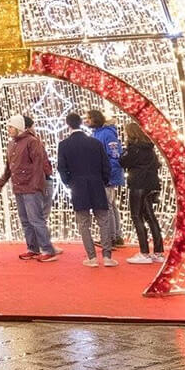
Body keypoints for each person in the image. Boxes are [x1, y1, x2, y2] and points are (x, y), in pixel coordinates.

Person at [0, 114, 59, 262]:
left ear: (19, 127)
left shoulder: (32, 142)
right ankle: (33, 248)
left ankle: (48, 250)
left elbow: (38, 165)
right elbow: (9, 167)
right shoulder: (12, 144)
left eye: (11, 127)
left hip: (31, 188)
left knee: (36, 219)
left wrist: (37, 186)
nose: (9, 129)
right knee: (25, 220)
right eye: (8, 127)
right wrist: (1, 182)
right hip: (19, 187)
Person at [57, 112, 117, 267]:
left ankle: (91, 258)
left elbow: (62, 168)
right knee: (103, 220)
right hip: (97, 184)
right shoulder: (95, 143)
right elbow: (106, 165)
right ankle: (107, 256)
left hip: (78, 186)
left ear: (68, 124)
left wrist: (69, 182)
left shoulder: (64, 145)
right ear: (81, 123)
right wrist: (102, 180)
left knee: (84, 222)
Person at [120, 121, 165, 264]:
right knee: (150, 217)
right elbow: (157, 164)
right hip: (151, 184)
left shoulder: (134, 149)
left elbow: (123, 162)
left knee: (136, 216)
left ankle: (144, 252)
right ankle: (158, 252)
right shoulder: (150, 148)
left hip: (138, 184)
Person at [85, 109, 125, 247]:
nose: (86, 120)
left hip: (107, 175)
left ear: (95, 119)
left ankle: (110, 238)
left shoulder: (106, 134)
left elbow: (114, 155)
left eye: (88, 118)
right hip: (105, 174)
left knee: (107, 206)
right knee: (111, 205)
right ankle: (116, 236)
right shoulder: (98, 133)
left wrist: (107, 175)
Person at [24, 114, 63, 256]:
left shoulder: (21, 142)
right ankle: (46, 246)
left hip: (32, 182)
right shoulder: (33, 141)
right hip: (42, 181)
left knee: (34, 217)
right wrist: (48, 173)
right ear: (28, 127)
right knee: (41, 216)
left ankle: (37, 246)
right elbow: (40, 162)